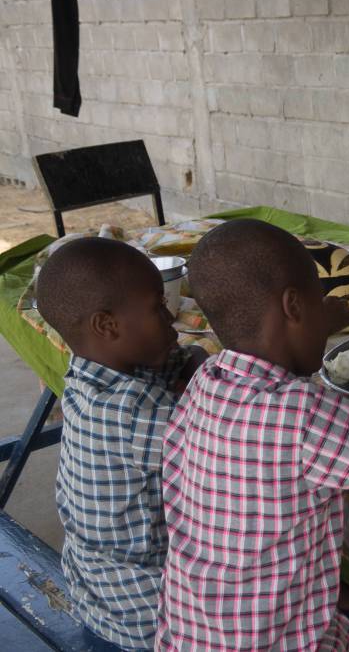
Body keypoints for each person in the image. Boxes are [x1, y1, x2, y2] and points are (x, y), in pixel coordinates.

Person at [155, 219, 349, 651]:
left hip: (192, 634)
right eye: (320, 301)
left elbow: (286, 340)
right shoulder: (303, 413)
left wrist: (323, 318)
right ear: (294, 306)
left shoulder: (207, 378)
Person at [36, 237, 207, 651]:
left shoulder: (94, 369)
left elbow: (181, 358)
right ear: (107, 325)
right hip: (143, 618)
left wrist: (194, 364)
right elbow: (229, 442)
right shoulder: (128, 413)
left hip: (97, 590)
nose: (171, 319)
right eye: (157, 308)